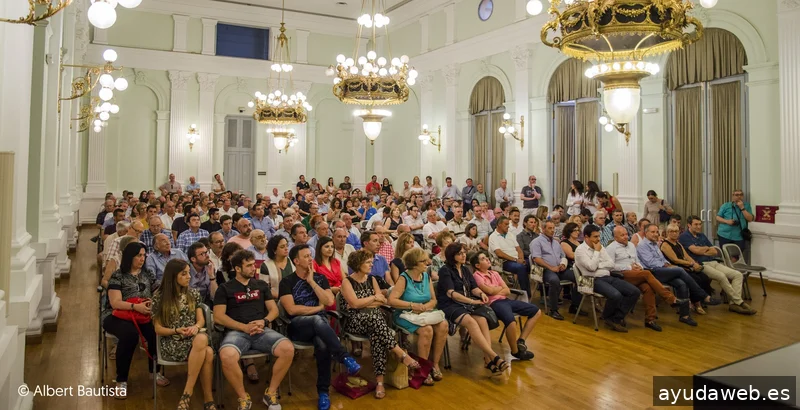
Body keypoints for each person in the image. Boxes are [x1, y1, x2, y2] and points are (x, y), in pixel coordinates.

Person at [279, 245, 362, 410]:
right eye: (306, 256)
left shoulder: (320, 278)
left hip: (320, 326)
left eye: (311, 255)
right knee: (318, 319)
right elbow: (291, 310)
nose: (311, 259)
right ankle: (344, 356)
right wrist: (317, 309)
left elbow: (329, 301)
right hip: (297, 326)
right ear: (296, 261)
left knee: (322, 344)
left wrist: (311, 281)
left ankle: (323, 393)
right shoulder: (287, 281)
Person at [214, 250, 294, 410]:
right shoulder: (225, 288)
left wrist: (264, 321)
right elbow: (218, 317)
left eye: (253, 265)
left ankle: (270, 393)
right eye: (249, 265)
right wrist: (243, 327)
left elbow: (274, 310)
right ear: (237, 268)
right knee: (226, 356)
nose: (253, 268)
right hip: (237, 332)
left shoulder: (261, 285)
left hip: (261, 330)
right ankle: (243, 397)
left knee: (288, 349)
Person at [342, 250, 422, 399]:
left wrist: (366, 303)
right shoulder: (347, 281)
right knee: (377, 323)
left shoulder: (371, 279)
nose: (371, 264)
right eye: (367, 262)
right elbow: (354, 303)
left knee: (377, 334)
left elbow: (382, 301)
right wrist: (372, 298)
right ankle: (402, 355)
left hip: (374, 320)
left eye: (371, 262)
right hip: (355, 321)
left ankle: (380, 382)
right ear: (358, 264)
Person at [102, 242, 167, 397]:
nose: (142, 259)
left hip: (143, 313)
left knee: (155, 331)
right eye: (139, 255)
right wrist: (135, 307)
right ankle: (121, 380)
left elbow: (158, 291)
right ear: (130, 257)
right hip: (117, 315)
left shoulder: (147, 275)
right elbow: (115, 303)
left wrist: (153, 302)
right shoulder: (118, 276)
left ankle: (154, 371)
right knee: (130, 335)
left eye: (144, 255)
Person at [151, 259, 216, 410]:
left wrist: (195, 327)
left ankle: (188, 393)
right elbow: (158, 329)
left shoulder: (193, 293)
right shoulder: (159, 297)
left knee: (201, 339)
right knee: (208, 351)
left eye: (189, 273)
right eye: (184, 274)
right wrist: (176, 330)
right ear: (173, 276)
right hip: (172, 341)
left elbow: (200, 320)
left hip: (194, 338)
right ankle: (208, 399)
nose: (189, 277)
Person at [436, 243, 510, 375]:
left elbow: (473, 288)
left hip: (465, 303)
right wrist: (472, 301)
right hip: (449, 304)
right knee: (471, 322)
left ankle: (488, 360)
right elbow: (451, 293)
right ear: (452, 256)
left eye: (464, 252)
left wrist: (481, 294)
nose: (464, 255)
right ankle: (494, 357)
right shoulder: (445, 270)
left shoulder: (465, 269)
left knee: (482, 320)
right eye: (460, 253)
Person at [605, 226, 690, 331]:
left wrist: (638, 266)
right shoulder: (611, 248)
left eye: (626, 234)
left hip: (636, 273)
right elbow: (610, 266)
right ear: (615, 237)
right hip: (621, 274)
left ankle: (650, 320)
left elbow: (637, 260)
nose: (626, 237)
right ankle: (670, 299)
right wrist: (629, 267)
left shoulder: (631, 245)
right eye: (622, 235)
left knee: (648, 288)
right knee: (647, 273)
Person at [637, 223, 719, 324]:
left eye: (656, 232)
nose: (655, 234)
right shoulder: (642, 246)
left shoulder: (655, 244)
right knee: (680, 270)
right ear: (646, 233)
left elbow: (662, 259)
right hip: (653, 272)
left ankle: (684, 315)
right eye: (652, 232)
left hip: (662, 270)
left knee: (682, 284)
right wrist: (667, 265)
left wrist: (667, 264)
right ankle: (703, 296)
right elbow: (650, 263)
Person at [388, 248, 447, 383]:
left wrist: (426, 307)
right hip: (405, 314)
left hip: (424, 312)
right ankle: (423, 368)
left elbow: (433, 299)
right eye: (423, 261)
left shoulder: (426, 276)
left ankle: (435, 364)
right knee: (427, 330)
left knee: (443, 325)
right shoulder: (404, 278)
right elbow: (391, 300)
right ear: (414, 263)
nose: (427, 263)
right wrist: (412, 305)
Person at [471, 250, 539, 361]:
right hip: (493, 303)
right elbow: (488, 291)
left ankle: (521, 340)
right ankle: (515, 351)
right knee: (511, 322)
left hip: (505, 300)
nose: (487, 259)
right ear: (477, 265)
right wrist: (497, 290)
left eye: (486, 257)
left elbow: (507, 290)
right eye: (483, 259)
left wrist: (495, 290)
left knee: (536, 311)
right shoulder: (477, 276)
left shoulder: (495, 273)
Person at [680, 215, 755, 315]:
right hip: (701, 265)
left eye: (700, 224)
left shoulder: (702, 235)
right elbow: (695, 251)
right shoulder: (684, 236)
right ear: (689, 225)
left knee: (738, 275)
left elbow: (714, 251)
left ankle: (733, 304)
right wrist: (705, 249)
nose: (699, 226)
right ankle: (739, 302)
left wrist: (702, 249)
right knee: (721, 276)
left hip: (713, 262)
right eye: (696, 224)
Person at [574, 225, 641, 332]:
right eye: (595, 237)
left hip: (607, 276)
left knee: (634, 292)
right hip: (591, 280)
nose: (598, 239)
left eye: (599, 236)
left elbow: (611, 264)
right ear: (586, 237)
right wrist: (596, 252)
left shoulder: (601, 247)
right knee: (615, 295)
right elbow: (591, 268)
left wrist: (598, 264)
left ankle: (616, 318)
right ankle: (609, 318)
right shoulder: (580, 250)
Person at [530, 220, 581, 320]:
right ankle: (553, 310)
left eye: (553, 228)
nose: (552, 230)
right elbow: (536, 258)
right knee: (554, 281)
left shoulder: (556, 242)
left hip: (559, 269)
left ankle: (574, 306)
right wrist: (551, 267)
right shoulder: (536, 242)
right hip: (545, 270)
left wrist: (563, 264)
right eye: (550, 228)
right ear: (543, 229)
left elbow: (563, 256)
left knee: (578, 278)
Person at [660, 223, 714, 315]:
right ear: (667, 233)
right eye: (671, 231)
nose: (674, 233)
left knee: (705, 277)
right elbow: (675, 260)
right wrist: (691, 264)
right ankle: (696, 303)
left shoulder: (678, 243)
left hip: (686, 266)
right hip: (676, 269)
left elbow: (686, 256)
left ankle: (703, 299)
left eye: (676, 231)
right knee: (696, 279)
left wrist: (695, 264)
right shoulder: (665, 244)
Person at [489, 216, 530, 298]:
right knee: (520, 267)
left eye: (508, 224)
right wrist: (516, 260)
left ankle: (543, 293)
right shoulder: (493, 237)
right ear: (499, 225)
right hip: (503, 262)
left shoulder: (510, 234)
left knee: (532, 265)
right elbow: (499, 253)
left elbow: (519, 249)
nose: (508, 226)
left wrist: (521, 258)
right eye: (506, 224)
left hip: (516, 260)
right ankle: (526, 295)